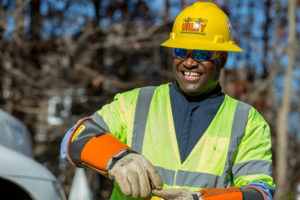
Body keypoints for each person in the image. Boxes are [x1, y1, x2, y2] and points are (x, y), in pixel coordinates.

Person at [60, 2, 275, 200]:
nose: (189, 62)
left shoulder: (246, 121)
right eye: (181, 51)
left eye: (201, 54)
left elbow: (259, 193)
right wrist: (116, 158)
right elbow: (73, 138)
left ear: (223, 59)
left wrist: (201, 199)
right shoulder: (137, 102)